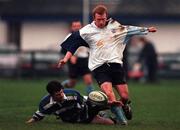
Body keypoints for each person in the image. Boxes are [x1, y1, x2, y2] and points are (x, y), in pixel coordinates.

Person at [57, 5, 157, 125]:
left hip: (115, 66)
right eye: (98, 19)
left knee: (125, 97)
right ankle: (122, 122)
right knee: (110, 94)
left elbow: (129, 29)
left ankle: (123, 107)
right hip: (99, 67)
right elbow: (73, 43)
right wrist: (66, 58)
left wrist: (146, 30)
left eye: (103, 19)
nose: (101, 21)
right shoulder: (87, 30)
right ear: (94, 18)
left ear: (106, 17)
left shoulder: (114, 26)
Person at [26, 80, 114, 125]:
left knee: (105, 103)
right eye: (57, 94)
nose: (61, 95)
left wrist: (107, 103)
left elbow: (86, 100)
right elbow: (38, 115)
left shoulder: (72, 94)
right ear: (51, 95)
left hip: (85, 109)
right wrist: (28, 123)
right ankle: (105, 115)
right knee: (110, 123)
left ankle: (121, 109)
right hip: (77, 119)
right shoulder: (45, 104)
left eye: (61, 92)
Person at [61, 21, 94, 94]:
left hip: (84, 60)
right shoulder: (69, 37)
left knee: (88, 80)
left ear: (81, 26)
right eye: (74, 26)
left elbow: (91, 47)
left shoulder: (86, 36)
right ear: (71, 27)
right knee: (72, 83)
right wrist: (71, 56)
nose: (77, 28)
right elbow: (63, 50)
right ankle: (61, 87)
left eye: (78, 26)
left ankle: (91, 98)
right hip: (73, 61)